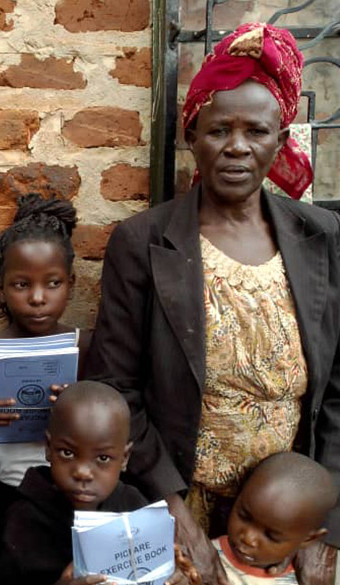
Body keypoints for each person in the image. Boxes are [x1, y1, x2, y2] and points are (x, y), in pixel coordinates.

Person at [85, 22, 340, 585]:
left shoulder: (322, 237)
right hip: (178, 498)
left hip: (287, 521)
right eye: (218, 129)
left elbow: (338, 391)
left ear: (281, 138)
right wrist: (175, 516)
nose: (237, 146)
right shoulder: (144, 242)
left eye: (257, 130)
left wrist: (324, 529)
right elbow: (117, 387)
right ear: (193, 135)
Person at [0, 193, 89, 583]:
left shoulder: (84, 348)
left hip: (65, 497)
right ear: (1, 287)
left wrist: (78, 409)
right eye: (22, 285)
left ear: (71, 284)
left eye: (53, 283)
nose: (38, 298)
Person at [0, 381, 146, 585]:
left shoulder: (134, 508)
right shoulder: (25, 518)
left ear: (124, 458)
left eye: (103, 458)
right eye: (67, 453)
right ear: (48, 448)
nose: (82, 472)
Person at [212, 453, 338, 585]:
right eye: (244, 517)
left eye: (271, 536)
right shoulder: (204, 556)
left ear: (308, 539)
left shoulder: (299, 581)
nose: (248, 539)